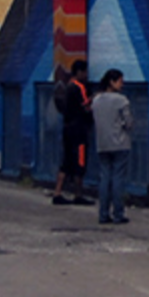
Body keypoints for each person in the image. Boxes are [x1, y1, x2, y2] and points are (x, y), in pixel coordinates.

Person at [91, 68, 133, 225]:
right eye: (120, 81)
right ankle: (118, 213)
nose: (122, 84)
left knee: (104, 178)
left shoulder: (96, 100)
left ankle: (103, 214)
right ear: (112, 82)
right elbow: (128, 123)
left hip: (102, 143)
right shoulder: (122, 100)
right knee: (118, 179)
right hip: (120, 143)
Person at [52, 59, 94, 206]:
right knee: (80, 161)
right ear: (80, 72)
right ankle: (78, 194)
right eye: (85, 72)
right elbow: (86, 107)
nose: (87, 74)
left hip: (67, 127)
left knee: (66, 160)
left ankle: (57, 192)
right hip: (79, 129)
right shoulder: (79, 87)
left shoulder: (67, 87)